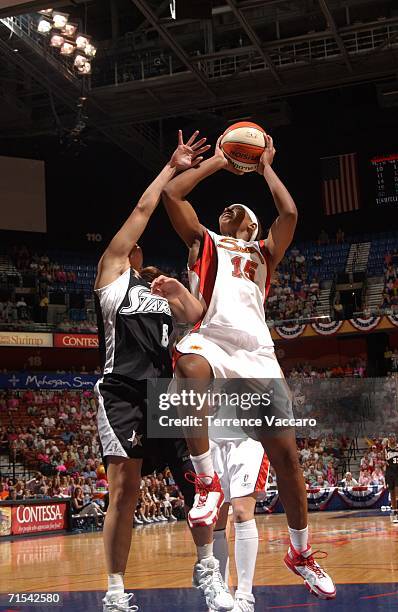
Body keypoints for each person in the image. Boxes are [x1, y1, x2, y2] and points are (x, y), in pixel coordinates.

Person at [162, 131, 336, 601]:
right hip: (213, 337)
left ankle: (300, 552)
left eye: (235, 211)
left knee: (289, 462)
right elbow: (172, 193)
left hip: (256, 352)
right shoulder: (206, 241)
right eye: (224, 209)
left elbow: (291, 214)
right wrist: (219, 161)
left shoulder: (264, 251)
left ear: (250, 225)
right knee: (189, 364)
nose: (227, 211)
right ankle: (204, 481)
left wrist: (265, 167)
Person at [94, 131, 234, 612]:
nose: (134, 245)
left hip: (166, 392)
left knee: (202, 486)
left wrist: (178, 293)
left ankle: (210, 574)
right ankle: (115, 592)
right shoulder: (111, 275)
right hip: (122, 391)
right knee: (125, 492)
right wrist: (172, 168)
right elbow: (141, 209)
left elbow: (197, 317)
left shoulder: (159, 287)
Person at [384, 434, 398, 524]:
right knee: (392, 492)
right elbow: (385, 461)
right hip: (389, 473)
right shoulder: (386, 449)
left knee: (397, 492)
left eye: (393, 437)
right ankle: (395, 511)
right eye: (390, 437)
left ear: (395, 438)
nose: (391, 439)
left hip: (397, 471)